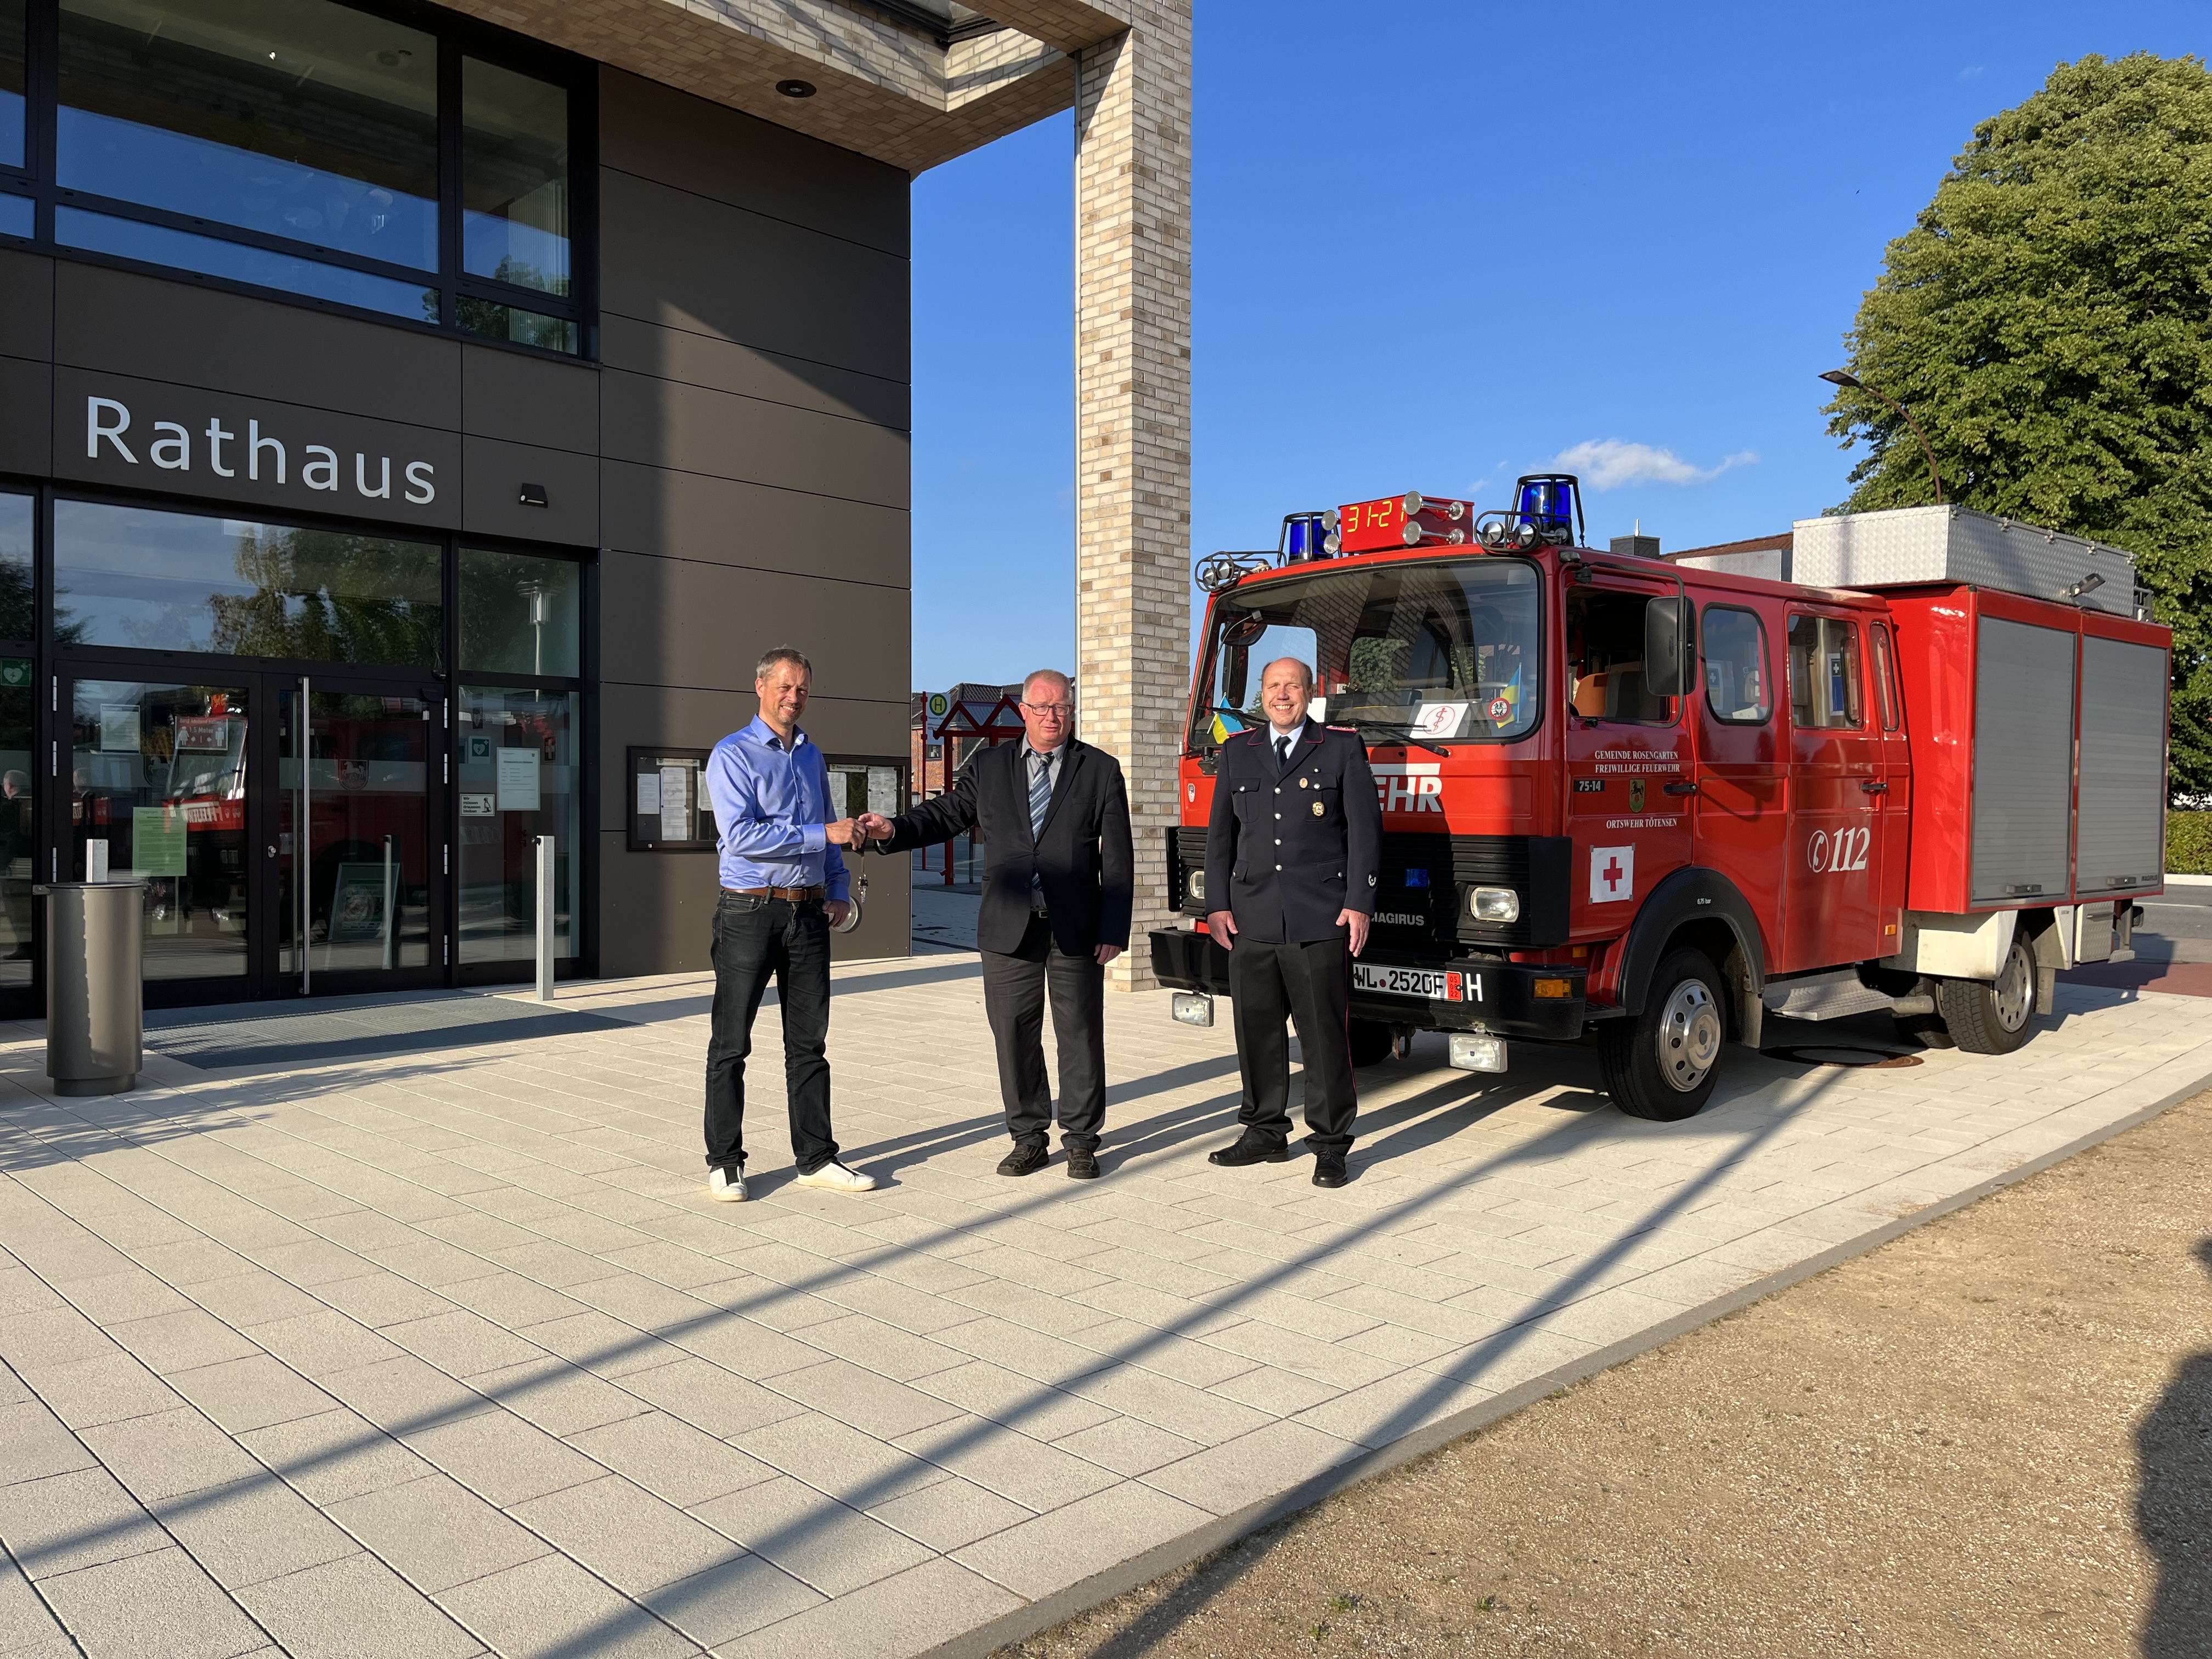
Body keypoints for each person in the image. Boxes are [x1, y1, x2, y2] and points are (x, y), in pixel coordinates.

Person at [857, 670, 1132, 1180]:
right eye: (1044, 707)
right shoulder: (989, 766)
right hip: (1008, 927)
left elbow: (1117, 858)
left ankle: (1081, 1140)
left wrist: (1114, 928)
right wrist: (894, 828)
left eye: (1063, 708)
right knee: (1014, 1035)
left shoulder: (1099, 770)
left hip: (1075, 927)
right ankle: (1028, 1138)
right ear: (1023, 711)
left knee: (1079, 1035)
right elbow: (946, 815)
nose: (1054, 717)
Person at [700, 646, 876, 1202]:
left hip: (808, 913)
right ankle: (725, 1162)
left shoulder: (811, 756)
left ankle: (817, 1157)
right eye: (784, 687)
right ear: (760, 687)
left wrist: (840, 889)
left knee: (809, 1045)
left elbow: (832, 829)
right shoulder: (732, 755)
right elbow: (743, 837)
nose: (793, 697)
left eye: (801, 688)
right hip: (748, 912)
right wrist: (824, 837)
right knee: (732, 1043)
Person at [1203, 656, 1382, 1188]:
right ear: (1261, 695)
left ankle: (1330, 1144)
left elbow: (1365, 835)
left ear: (1310, 693)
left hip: (1319, 917)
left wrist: (1359, 904)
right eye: (1274, 686)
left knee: (1324, 1037)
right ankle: (1264, 1131)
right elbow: (1221, 839)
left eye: (1293, 686)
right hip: (1252, 918)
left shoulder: (1341, 748)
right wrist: (1217, 904)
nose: (1283, 695)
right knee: (1256, 1032)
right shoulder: (1240, 751)